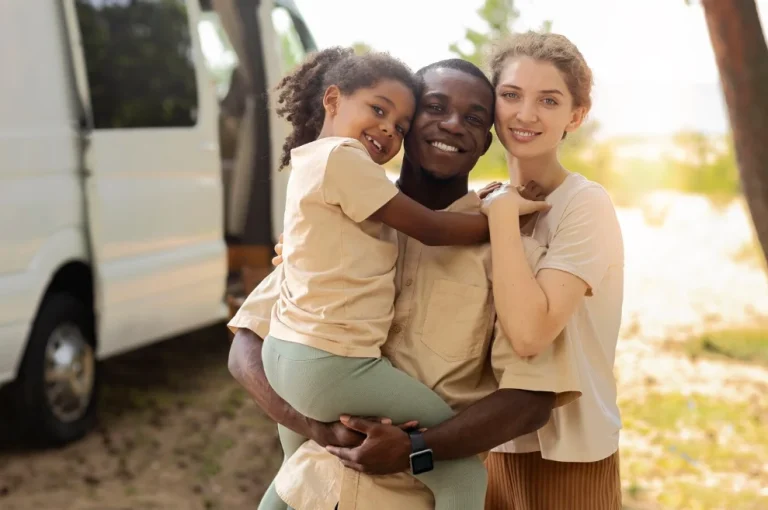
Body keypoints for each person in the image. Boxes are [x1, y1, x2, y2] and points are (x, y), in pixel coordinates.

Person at [228, 57, 582, 510]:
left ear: (485, 142)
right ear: (409, 128)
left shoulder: (513, 252)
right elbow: (247, 348)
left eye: (474, 118)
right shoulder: (343, 217)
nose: (453, 125)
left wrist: (417, 449)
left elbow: (531, 399)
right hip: (307, 490)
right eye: (434, 108)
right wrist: (316, 426)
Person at [479, 31, 625, 510]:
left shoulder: (585, 205)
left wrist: (501, 214)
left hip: (570, 452)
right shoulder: (482, 201)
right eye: (511, 95)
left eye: (548, 100)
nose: (525, 114)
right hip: (488, 442)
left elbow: (530, 334)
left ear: (575, 116)